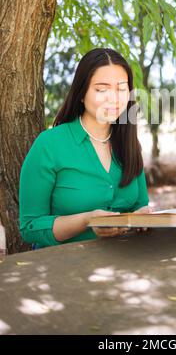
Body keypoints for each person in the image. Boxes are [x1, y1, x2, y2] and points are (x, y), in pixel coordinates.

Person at [19, 48, 152, 249]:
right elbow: (30, 227)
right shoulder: (49, 145)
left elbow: (139, 205)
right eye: (101, 89)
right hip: (64, 266)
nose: (114, 98)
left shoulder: (130, 145)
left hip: (126, 261)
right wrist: (87, 220)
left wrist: (142, 217)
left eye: (121, 88)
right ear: (81, 93)